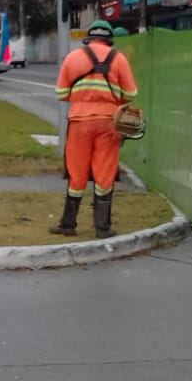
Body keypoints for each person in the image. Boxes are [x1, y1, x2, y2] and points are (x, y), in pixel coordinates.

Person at [51, 20, 138, 239]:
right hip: (108, 122)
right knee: (104, 173)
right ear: (109, 39)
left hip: (79, 122)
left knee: (77, 173)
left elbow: (61, 93)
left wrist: (82, 99)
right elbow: (131, 94)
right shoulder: (118, 59)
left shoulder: (72, 58)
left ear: (88, 38)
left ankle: (68, 224)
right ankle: (102, 227)